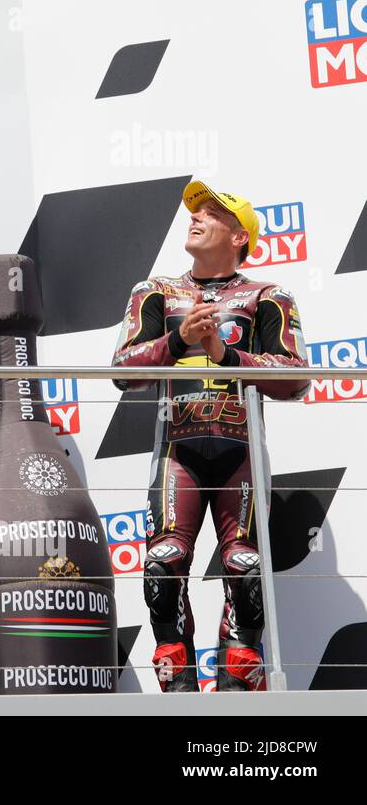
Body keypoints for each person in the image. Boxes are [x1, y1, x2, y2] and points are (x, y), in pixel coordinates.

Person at [111, 181, 308, 692]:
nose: (196, 216)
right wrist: (180, 339)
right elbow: (121, 370)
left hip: (240, 455)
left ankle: (239, 689)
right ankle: (177, 691)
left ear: (239, 236)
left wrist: (226, 356)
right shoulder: (154, 291)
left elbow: (296, 377)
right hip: (177, 452)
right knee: (163, 561)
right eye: (195, 209)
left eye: (212, 212)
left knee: (244, 565)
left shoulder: (267, 296)